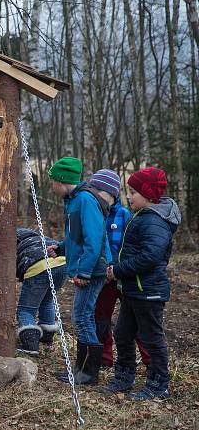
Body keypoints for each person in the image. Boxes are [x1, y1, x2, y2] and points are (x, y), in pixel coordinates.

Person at [103, 167, 180, 400]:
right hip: (134, 289)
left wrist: (118, 271)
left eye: (134, 192)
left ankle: (159, 384)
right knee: (123, 333)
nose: (129, 196)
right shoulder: (142, 216)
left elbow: (150, 256)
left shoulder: (154, 221)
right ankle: (124, 376)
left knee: (152, 339)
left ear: (148, 194)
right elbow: (132, 251)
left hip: (149, 292)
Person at [47, 157, 116, 386]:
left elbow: (94, 240)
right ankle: (79, 369)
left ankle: (88, 373)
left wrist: (85, 272)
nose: (51, 185)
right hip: (86, 266)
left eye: (52, 181)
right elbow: (77, 236)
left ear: (62, 180)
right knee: (81, 316)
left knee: (83, 317)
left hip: (93, 270)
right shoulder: (73, 199)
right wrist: (62, 247)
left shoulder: (85, 200)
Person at [89, 170, 149, 368]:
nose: (95, 195)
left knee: (136, 319)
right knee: (100, 317)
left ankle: (150, 360)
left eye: (99, 191)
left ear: (112, 193)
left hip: (122, 276)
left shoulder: (125, 215)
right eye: (93, 190)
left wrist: (116, 267)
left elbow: (129, 246)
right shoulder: (93, 213)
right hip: (102, 277)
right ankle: (104, 359)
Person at [15, 228, 67, 355]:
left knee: (26, 309)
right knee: (47, 300)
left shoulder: (16, 243)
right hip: (62, 265)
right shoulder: (40, 238)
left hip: (39, 268)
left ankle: (30, 344)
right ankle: (47, 335)